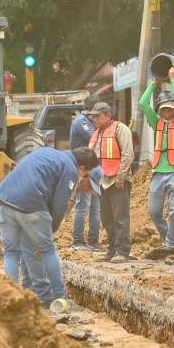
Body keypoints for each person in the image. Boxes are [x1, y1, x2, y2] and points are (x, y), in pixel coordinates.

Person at [0, 146, 100, 306]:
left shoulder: (48, 153)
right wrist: (51, 230)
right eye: (84, 175)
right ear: (82, 168)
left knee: (12, 253)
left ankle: (12, 298)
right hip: (31, 203)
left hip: (4, 199)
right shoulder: (70, 168)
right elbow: (59, 205)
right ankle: (58, 297)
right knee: (47, 250)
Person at [138, 63, 174, 250]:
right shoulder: (156, 122)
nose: (166, 112)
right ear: (159, 110)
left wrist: (173, 80)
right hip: (158, 171)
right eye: (163, 109)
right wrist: (153, 83)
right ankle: (170, 239)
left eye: (169, 109)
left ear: (173, 110)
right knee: (154, 211)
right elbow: (143, 104)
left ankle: (170, 244)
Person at [88, 102, 135, 263]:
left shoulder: (121, 130)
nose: (94, 119)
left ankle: (123, 251)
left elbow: (128, 154)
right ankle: (112, 250)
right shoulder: (97, 133)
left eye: (97, 116)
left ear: (108, 115)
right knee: (107, 218)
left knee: (120, 218)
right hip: (103, 181)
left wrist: (121, 177)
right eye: (93, 116)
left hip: (117, 180)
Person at [69, 97, 102, 251]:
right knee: (83, 206)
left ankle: (93, 241)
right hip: (83, 170)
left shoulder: (88, 122)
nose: (97, 119)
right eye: (96, 115)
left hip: (93, 169)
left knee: (95, 208)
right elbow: (95, 139)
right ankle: (77, 242)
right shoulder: (80, 122)